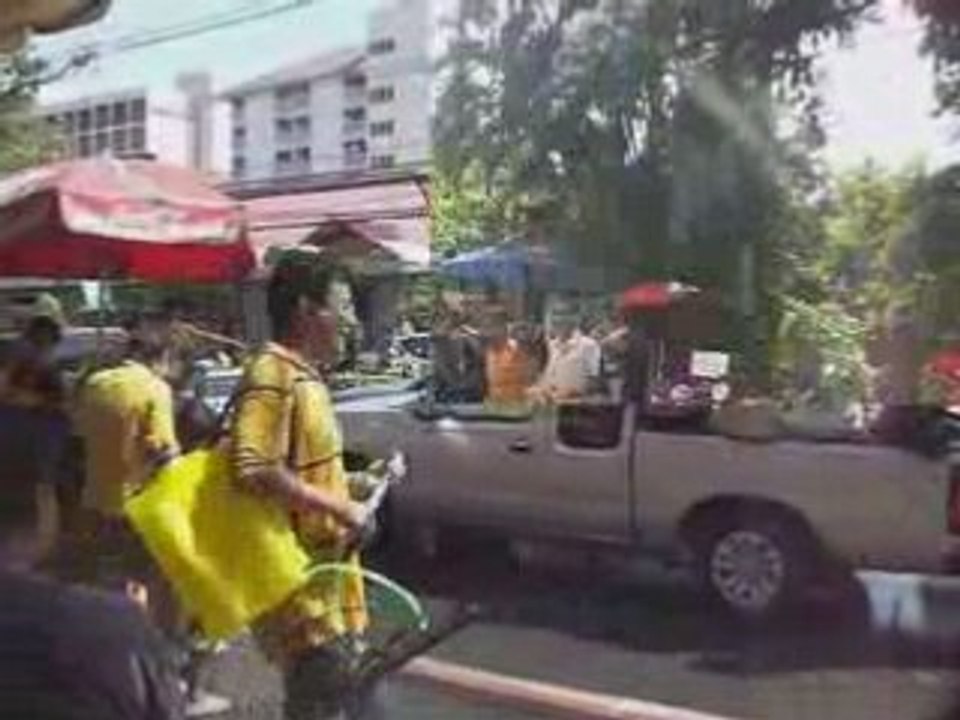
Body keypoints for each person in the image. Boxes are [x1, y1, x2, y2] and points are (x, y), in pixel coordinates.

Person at [230, 258, 373, 720]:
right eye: (344, 305)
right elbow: (252, 467)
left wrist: (354, 483)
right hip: (302, 593)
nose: (352, 319)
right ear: (307, 309)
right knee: (328, 702)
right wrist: (339, 506)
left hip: (330, 580)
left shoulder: (304, 375)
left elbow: (299, 469)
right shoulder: (273, 373)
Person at [0, 404, 185, 720]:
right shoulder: (101, 628)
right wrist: (130, 625)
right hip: (132, 507)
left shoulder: (95, 384)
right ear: (44, 500)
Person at [72, 317, 180, 613]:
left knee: (105, 578)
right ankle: (141, 639)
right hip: (137, 504)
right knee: (145, 578)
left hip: (94, 500)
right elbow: (163, 449)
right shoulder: (154, 388)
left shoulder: (94, 383)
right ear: (160, 357)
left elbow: (79, 434)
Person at [536, 315, 602, 401]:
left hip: (577, 402)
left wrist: (572, 392)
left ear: (572, 324)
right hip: (552, 401)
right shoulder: (551, 345)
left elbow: (594, 379)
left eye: (562, 323)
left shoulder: (589, 345)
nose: (557, 326)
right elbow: (549, 373)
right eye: (555, 323)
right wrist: (542, 389)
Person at [483, 310, 532, 407]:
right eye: (486, 328)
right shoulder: (489, 352)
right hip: (494, 407)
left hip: (515, 408)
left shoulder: (518, 349)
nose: (487, 332)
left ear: (502, 327)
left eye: (490, 327)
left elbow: (530, 380)